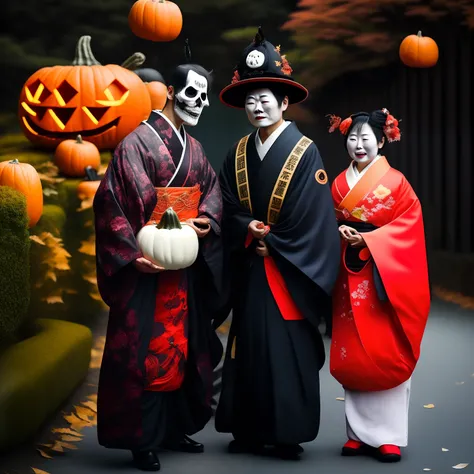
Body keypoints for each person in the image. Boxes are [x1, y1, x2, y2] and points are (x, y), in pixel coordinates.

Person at [93, 53, 225, 471]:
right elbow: (111, 201)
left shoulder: (196, 149)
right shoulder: (136, 143)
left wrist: (207, 219)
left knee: (182, 345)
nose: (196, 104)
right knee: (146, 351)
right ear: (169, 92)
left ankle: (172, 426)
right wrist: (132, 254)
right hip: (147, 265)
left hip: (182, 266)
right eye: (190, 94)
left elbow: (212, 192)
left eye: (203, 99)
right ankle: (142, 437)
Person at [215, 27, 340, 460]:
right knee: (248, 346)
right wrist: (246, 228)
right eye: (249, 100)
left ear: (284, 102)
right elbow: (225, 206)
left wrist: (279, 244)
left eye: (265, 98)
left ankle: (287, 432)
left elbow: (315, 217)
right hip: (251, 268)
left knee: (287, 348)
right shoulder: (235, 154)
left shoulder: (306, 152)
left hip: (289, 270)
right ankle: (248, 428)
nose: (256, 106)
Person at [327, 108, 430, 462]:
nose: (358, 145)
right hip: (349, 275)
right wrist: (338, 233)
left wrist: (370, 240)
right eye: (352, 138)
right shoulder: (338, 183)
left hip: (383, 279)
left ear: (382, 141)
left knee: (385, 351)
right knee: (353, 353)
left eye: (365, 138)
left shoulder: (397, 183)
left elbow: (409, 227)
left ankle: (387, 435)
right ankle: (356, 433)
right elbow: (326, 221)